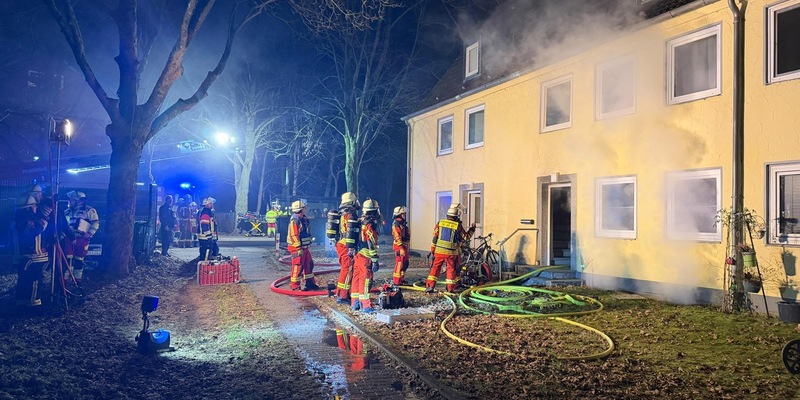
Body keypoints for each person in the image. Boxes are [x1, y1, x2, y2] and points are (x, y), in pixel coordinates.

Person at [12, 186, 52, 307]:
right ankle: (33, 305)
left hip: (23, 256)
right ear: (28, 208)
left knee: (23, 279)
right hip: (31, 256)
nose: (36, 207)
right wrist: (44, 218)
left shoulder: (17, 218)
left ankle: (21, 302)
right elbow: (36, 230)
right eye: (34, 205)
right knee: (35, 280)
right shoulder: (26, 220)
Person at [426, 203, 475, 293]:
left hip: (439, 251)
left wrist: (432, 250)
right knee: (450, 270)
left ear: (447, 215)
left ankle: (430, 286)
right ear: (456, 217)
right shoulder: (457, 226)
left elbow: (435, 238)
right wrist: (472, 229)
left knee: (435, 268)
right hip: (451, 253)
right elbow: (466, 237)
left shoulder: (440, 223)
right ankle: (450, 288)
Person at [351, 198, 381, 313]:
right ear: (373, 211)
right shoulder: (369, 225)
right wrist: (374, 260)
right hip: (366, 257)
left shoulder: (360, 221)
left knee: (357, 279)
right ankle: (366, 306)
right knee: (366, 280)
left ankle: (355, 303)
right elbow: (371, 242)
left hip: (358, 254)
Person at [63, 190, 100, 282]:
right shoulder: (66, 211)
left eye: (71, 200)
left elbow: (95, 223)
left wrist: (89, 233)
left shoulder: (89, 210)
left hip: (82, 238)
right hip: (69, 238)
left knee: (79, 259)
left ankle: (77, 280)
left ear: (78, 201)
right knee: (67, 259)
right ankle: (65, 280)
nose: (69, 201)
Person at [334, 192, 360, 304]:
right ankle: (342, 296)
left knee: (348, 269)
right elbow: (350, 233)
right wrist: (351, 248)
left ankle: (342, 293)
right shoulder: (349, 216)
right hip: (345, 246)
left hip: (342, 244)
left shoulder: (343, 214)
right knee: (347, 269)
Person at [287, 200, 319, 290]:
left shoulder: (303, 219)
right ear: (300, 209)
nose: (306, 209)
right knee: (298, 266)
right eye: (304, 207)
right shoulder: (295, 220)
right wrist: (298, 248)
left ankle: (310, 284)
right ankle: (295, 286)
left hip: (304, 247)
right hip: (297, 248)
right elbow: (293, 235)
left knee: (309, 264)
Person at [391, 206, 410, 285]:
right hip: (399, 247)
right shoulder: (396, 224)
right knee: (399, 263)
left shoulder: (402, 223)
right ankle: (396, 281)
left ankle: (401, 279)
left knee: (405, 263)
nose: (404, 215)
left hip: (404, 246)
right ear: (398, 214)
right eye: (403, 214)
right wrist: (401, 248)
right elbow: (397, 237)